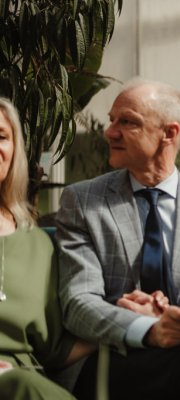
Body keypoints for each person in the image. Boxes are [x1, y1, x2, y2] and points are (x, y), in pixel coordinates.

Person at [55, 79, 180, 400]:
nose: (110, 131)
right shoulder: (83, 201)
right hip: (114, 357)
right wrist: (150, 330)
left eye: (127, 122)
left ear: (169, 133)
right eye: (112, 120)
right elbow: (78, 303)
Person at [0, 98, 94, 399]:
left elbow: (55, 350)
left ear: (14, 150)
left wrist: (129, 323)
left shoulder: (39, 245)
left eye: (1, 136)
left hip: (22, 384)